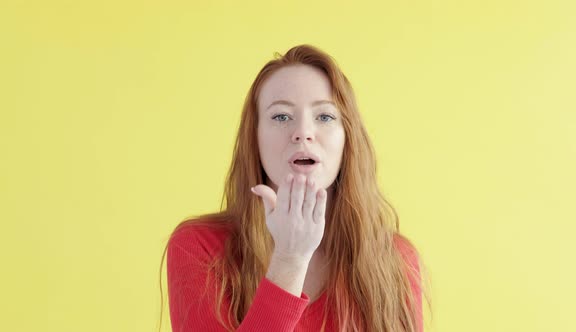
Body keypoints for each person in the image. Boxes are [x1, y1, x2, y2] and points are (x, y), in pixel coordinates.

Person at [160, 44, 427, 332]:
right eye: (281, 116)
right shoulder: (198, 247)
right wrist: (289, 258)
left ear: (348, 139)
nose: (303, 132)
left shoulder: (396, 260)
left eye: (324, 117)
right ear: (255, 139)